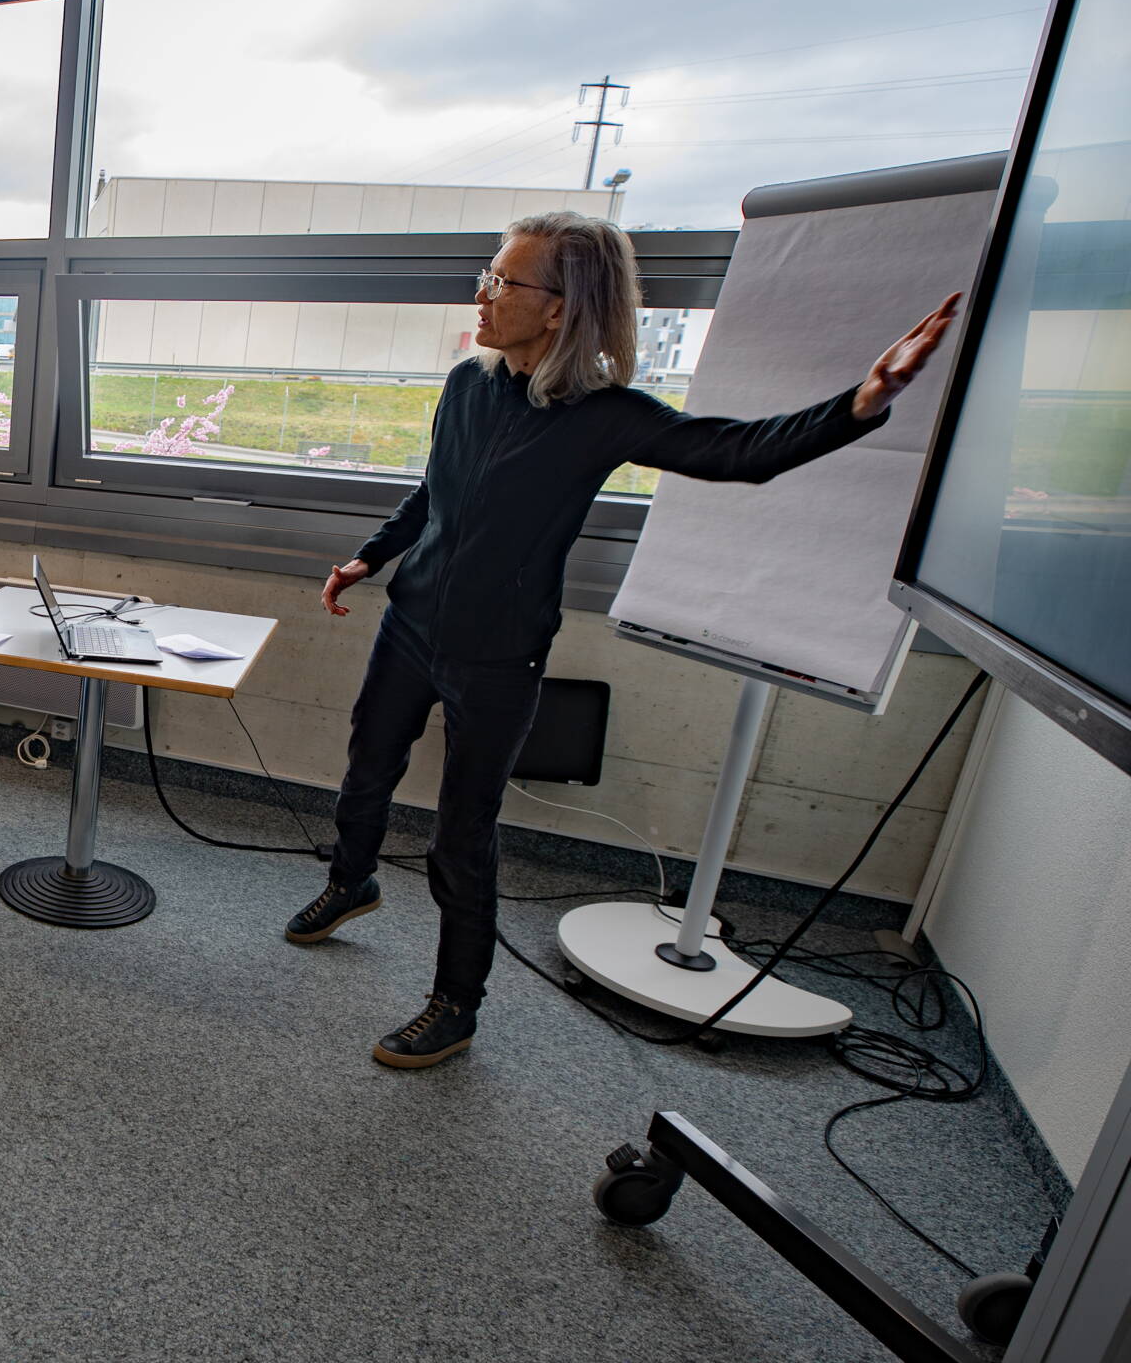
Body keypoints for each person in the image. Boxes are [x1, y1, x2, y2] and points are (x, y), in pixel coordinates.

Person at [294, 211, 961, 1070]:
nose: (484, 294)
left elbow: (736, 451)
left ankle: (455, 1004)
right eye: (488, 276)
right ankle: (351, 882)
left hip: (499, 653)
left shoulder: (604, 417)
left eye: (505, 282)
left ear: (564, 307)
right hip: (411, 621)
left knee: (465, 832)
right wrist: (369, 557)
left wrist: (863, 403)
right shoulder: (467, 384)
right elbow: (433, 498)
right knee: (366, 767)